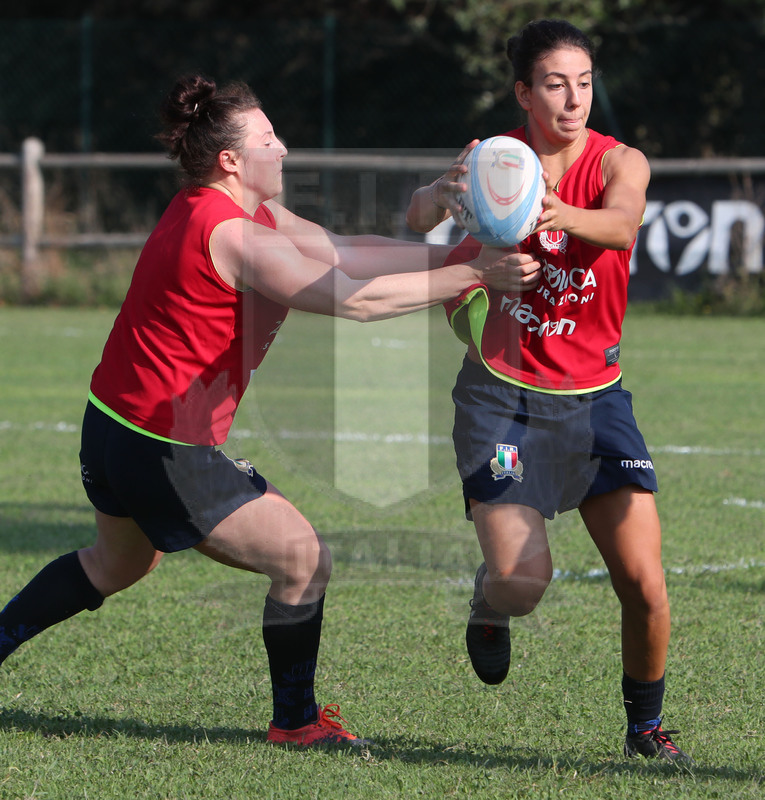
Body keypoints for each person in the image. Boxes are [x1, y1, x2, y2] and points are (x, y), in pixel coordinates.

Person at [0, 74, 524, 748]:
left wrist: (457, 255)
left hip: (112, 427)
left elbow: (345, 253)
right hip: (164, 449)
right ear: (230, 160)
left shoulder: (228, 212)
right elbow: (353, 300)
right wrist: (475, 275)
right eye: (268, 139)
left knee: (116, 564)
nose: (282, 148)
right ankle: (297, 724)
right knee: (303, 558)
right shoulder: (238, 237)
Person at [406, 19, 692, 763]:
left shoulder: (619, 160)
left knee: (645, 585)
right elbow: (414, 219)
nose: (573, 99)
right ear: (523, 92)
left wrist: (559, 212)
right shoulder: (495, 162)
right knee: (521, 582)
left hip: (597, 401)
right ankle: (488, 601)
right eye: (555, 84)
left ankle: (644, 731)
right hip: (501, 401)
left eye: (584, 82)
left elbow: (623, 226)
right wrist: (441, 193)